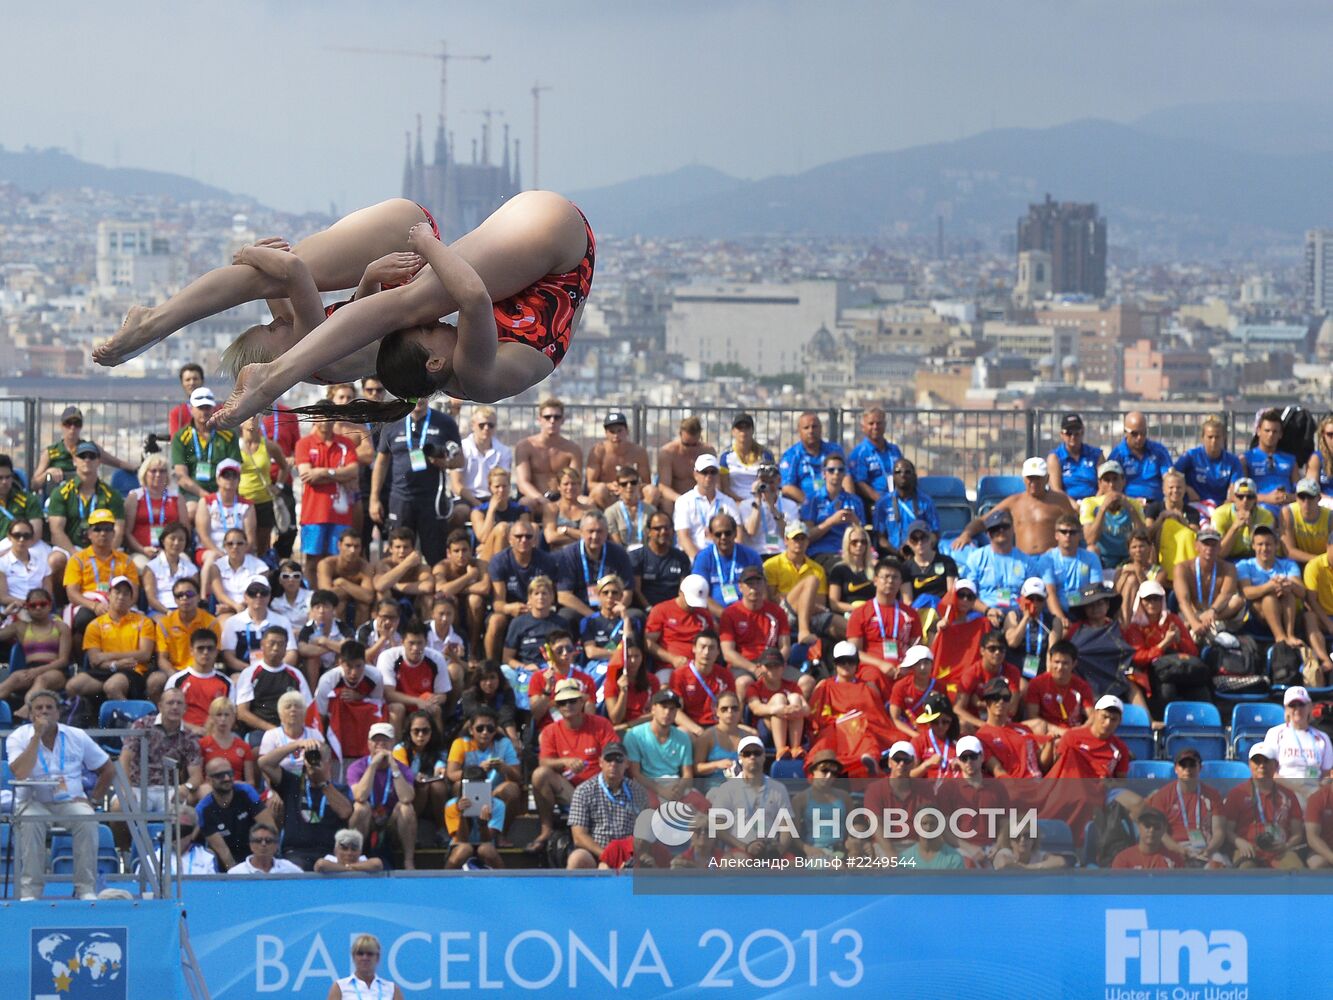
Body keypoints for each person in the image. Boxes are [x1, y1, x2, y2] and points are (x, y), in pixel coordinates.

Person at [5, 689, 115, 899]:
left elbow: (108, 768)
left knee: (87, 818)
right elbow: (20, 772)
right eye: (39, 708)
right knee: (30, 820)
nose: (45, 712)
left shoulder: (76, 735)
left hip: (69, 800)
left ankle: (85, 889)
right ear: (30, 715)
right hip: (32, 800)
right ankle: (31, 892)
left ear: (58, 713)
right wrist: (36, 735)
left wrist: (93, 799)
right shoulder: (18, 737)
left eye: (49, 708)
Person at [370, 398, 464, 565]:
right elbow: (381, 462)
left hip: (432, 500)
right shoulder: (392, 421)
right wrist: (374, 499)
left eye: (423, 395)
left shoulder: (444, 422)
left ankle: (435, 589)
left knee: (435, 553)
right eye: (413, 395)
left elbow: (460, 460)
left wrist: (446, 463)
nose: (418, 399)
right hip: (400, 498)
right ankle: (400, 590)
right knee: (399, 551)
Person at [529, 677, 617, 852]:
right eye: (562, 702)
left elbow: (614, 754)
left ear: (581, 702)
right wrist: (565, 762)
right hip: (570, 790)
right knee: (540, 774)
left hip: (600, 789)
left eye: (572, 701)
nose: (567, 706)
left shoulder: (601, 724)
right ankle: (546, 829)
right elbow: (543, 761)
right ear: (557, 707)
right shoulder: (550, 731)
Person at [807, 644, 896, 777]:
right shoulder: (824, 686)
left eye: (851, 661)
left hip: (864, 728)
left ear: (857, 664)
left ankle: (867, 763)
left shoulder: (868, 686)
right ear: (835, 664)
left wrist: (859, 721)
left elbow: (878, 715)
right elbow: (816, 717)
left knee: (869, 737)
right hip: (836, 730)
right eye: (842, 662)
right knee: (825, 742)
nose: (846, 665)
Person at [956, 458, 1076, 556]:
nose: (1033, 483)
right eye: (1030, 478)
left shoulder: (1060, 500)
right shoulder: (1014, 502)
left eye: (1038, 478)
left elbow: (1075, 526)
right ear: (1024, 479)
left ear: (1047, 478)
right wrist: (966, 534)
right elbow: (984, 521)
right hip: (1024, 561)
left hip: (1052, 560)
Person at [68, 574, 159, 702]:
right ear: (109, 595)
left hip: (134, 670)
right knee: (73, 686)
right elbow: (95, 659)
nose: (121, 596)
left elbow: (144, 654)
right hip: (106, 669)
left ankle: (130, 719)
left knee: (112, 687)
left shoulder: (144, 622)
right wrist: (115, 664)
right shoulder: (95, 625)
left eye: (126, 593)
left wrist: (107, 656)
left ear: (131, 599)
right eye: (117, 592)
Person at [294, 415, 361, 580]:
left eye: (329, 417)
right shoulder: (304, 443)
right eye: (321, 417)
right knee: (312, 559)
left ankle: (333, 599)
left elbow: (353, 471)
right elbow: (306, 476)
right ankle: (313, 597)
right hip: (313, 513)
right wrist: (340, 475)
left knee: (338, 560)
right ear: (315, 420)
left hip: (341, 512)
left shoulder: (346, 444)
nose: (326, 421)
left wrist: (323, 472)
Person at [707, 734, 795, 857]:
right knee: (738, 862)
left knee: (793, 866)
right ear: (740, 758)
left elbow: (787, 827)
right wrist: (746, 847)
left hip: (771, 849)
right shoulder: (727, 789)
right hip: (739, 849)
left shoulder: (778, 788)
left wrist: (779, 851)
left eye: (757, 752)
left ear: (764, 756)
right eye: (747, 753)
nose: (752, 756)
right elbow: (718, 827)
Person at [566, 740, 650, 870]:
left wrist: (626, 855)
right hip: (595, 852)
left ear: (627, 763)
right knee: (577, 858)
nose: (613, 764)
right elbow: (579, 836)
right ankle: (575, 891)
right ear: (600, 762)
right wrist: (608, 856)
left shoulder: (639, 792)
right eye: (609, 759)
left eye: (618, 759)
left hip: (629, 853)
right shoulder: (584, 791)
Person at [47, 444, 126, 583]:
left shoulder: (112, 495)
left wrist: (105, 554)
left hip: (104, 546)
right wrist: (77, 555)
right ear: (74, 460)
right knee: (55, 560)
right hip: (72, 546)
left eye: (92, 456)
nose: (87, 460)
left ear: (98, 461)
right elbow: (56, 532)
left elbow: (118, 530)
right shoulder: (61, 493)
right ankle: (60, 602)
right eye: (82, 456)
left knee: (124, 563)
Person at [1224, 742, 1306, 869]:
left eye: (1266, 761)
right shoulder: (1237, 793)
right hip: (1248, 849)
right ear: (1250, 764)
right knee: (1246, 868)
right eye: (1257, 761)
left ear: (1276, 765)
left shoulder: (1288, 795)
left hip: (1281, 850)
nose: (1261, 766)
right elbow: (1228, 830)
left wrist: (1287, 845)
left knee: (1296, 871)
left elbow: (1298, 833)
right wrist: (1239, 842)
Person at [347, 722, 418, 869]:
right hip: (368, 821)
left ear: (393, 743)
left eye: (385, 741)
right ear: (368, 744)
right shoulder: (356, 767)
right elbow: (360, 796)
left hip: (390, 821)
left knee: (406, 808)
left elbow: (407, 798)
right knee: (361, 808)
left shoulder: (402, 768)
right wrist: (373, 766)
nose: (380, 744)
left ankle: (408, 860)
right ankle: (353, 859)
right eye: (376, 740)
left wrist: (393, 766)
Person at [486, 515, 556, 660]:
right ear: (510, 540)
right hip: (510, 608)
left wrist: (536, 606)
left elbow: (552, 594)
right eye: (518, 536)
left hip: (539, 606)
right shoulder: (499, 561)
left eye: (528, 536)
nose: (523, 540)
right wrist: (509, 608)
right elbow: (498, 603)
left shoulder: (546, 561)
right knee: (496, 621)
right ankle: (490, 666)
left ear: (535, 540)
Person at [1143, 747, 1228, 866]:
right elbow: (1160, 833)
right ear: (1176, 769)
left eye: (1192, 765)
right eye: (1183, 765)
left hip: (1206, 847)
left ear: (1200, 768)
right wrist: (1178, 849)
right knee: (1164, 866)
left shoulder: (1213, 795)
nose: (1188, 770)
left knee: (1220, 867)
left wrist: (1210, 850)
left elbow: (1219, 830)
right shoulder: (1163, 795)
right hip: (1174, 848)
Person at [764, 523, 842, 647]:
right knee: (811, 581)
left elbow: (821, 604)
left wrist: (791, 597)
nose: (799, 542)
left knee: (845, 626)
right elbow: (771, 599)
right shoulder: (771, 565)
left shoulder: (817, 569)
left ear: (807, 541)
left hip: (811, 614)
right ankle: (803, 631)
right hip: (782, 613)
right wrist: (804, 600)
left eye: (802, 538)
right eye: (795, 538)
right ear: (786, 540)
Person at [846, 557, 923, 682]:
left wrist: (906, 667)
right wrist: (880, 664)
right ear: (875, 580)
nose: (890, 581)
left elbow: (916, 648)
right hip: (872, 668)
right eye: (885, 577)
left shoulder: (910, 614)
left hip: (904, 669)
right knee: (872, 677)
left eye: (895, 577)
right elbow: (854, 652)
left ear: (901, 582)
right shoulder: (860, 613)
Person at [555, 511, 634, 629]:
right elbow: (564, 595)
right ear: (581, 533)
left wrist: (617, 609)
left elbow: (628, 591)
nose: (595, 536)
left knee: (636, 616)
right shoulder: (568, 555)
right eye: (590, 531)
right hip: (582, 608)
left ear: (607, 533)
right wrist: (594, 616)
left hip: (612, 608)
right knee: (566, 615)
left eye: (599, 531)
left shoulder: (619, 553)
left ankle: (629, 647)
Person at [719, 565, 792, 694]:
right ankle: (740, 714)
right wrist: (753, 668)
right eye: (749, 584)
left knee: (806, 681)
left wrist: (776, 665)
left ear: (764, 585)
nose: (754, 588)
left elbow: (785, 645)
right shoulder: (730, 613)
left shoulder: (777, 611)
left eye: (758, 583)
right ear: (740, 587)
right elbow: (727, 653)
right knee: (743, 683)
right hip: (743, 664)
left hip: (772, 661)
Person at [1235, 524, 1307, 649]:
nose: (1264, 548)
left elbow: (1302, 592)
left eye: (1268, 544)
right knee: (1269, 597)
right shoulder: (1244, 565)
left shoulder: (1288, 565)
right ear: (1253, 546)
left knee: (1288, 593)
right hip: (1258, 615)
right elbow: (1246, 592)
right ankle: (1280, 637)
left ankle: (1290, 634)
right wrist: (1270, 586)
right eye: (1260, 544)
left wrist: (1289, 585)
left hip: (1285, 609)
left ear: (1276, 546)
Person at [170, 387, 243, 509]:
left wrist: (219, 496)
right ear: (191, 409)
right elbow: (181, 476)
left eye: (207, 407)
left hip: (224, 492)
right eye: (200, 407)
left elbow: (235, 471)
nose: (204, 411)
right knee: (191, 511)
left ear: (213, 409)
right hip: (192, 495)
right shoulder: (181, 437)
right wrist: (204, 495)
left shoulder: (229, 435)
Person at [1172, 525, 1245, 642]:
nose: (1209, 548)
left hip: (1218, 613)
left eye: (1213, 544)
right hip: (1192, 613)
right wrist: (1194, 623)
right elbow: (1183, 600)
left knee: (1237, 600)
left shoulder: (1228, 568)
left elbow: (1227, 593)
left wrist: (1212, 611)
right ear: (1196, 546)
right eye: (1206, 544)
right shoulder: (1182, 568)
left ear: (1219, 547)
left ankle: (1208, 622)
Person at [0, 587, 71, 708]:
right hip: (30, 670)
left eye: (43, 604)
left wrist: (38, 671)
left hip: (55, 671)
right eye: (33, 605)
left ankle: (26, 711)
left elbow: (63, 661)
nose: (38, 608)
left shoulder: (61, 627)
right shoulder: (20, 627)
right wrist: (4, 614)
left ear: (50, 605)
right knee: (13, 678)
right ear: (27, 607)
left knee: (41, 680)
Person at [378, 619, 453, 732]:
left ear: (426, 642)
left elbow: (443, 694)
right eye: (411, 643)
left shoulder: (436, 659)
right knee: (397, 709)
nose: (415, 648)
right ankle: (396, 748)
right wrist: (417, 701)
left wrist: (434, 700)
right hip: (401, 705)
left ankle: (439, 748)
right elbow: (388, 694)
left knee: (436, 709)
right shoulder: (390, 658)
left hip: (425, 705)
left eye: (419, 643)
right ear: (402, 642)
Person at [501, 574, 564, 704]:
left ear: (552, 597)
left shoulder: (561, 623)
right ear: (529, 597)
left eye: (545, 593)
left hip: (553, 669)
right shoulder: (518, 623)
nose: (540, 597)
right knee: (504, 671)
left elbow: (567, 653)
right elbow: (507, 658)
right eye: (536, 593)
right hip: (526, 669)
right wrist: (524, 666)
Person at [957, 509, 1039, 611]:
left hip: (1017, 613)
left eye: (1005, 527)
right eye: (995, 528)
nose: (1001, 531)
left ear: (1013, 529)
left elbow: (1035, 597)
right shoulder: (976, 558)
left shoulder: (1027, 562)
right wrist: (987, 611)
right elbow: (967, 595)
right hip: (984, 613)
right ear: (988, 533)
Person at [34, 405, 135, 486]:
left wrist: (139, 469)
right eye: (68, 423)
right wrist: (48, 473)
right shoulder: (51, 452)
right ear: (61, 425)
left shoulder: (90, 449)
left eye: (77, 423)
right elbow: (34, 484)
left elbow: (118, 463)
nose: (72, 428)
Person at [513, 397, 583, 512]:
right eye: (547, 417)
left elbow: (575, 482)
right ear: (539, 419)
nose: (552, 421)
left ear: (563, 420)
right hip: (535, 499)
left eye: (557, 417)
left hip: (564, 499)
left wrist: (561, 502)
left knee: (589, 502)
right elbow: (522, 482)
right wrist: (542, 500)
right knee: (524, 503)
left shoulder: (573, 449)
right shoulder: (525, 446)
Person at [234, 627, 311, 731]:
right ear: (262, 645)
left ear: (286, 647)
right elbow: (242, 713)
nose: (275, 648)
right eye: (271, 643)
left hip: (291, 731)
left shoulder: (295, 674)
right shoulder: (249, 673)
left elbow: (308, 708)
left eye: (280, 644)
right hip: (259, 731)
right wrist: (274, 731)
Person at [624, 688, 696, 797]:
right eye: (663, 707)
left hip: (675, 785)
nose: (667, 712)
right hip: (647, 787)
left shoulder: (683, 737)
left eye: (672, 709)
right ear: (653, 709)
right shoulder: (634, 735)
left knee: (704, 806)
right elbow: (635, 774)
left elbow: (688, 774)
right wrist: (661, 790)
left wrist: (679, 789)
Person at [238, 413, 291, 556]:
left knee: (262, 544)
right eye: (248, 418)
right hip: (242, 500)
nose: (251, 422)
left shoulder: (267, 445)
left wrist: (278, 486)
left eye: (255, 418)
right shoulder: (235, 446)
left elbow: (284, 466)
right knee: (241, 541)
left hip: (264, 499)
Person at [801, 454, 865, 572]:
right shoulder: (812, 499)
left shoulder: (855, 501)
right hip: (821, 551)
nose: (836, 473)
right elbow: (807, 536)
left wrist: (855, 521)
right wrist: (831, 521)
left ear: (844, 474)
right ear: (824, 474)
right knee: (840, 567)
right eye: (831, 470)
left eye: (840, 470)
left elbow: (864, 535)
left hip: (850, 552)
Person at [220, 574, 298, 671]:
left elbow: (291, 653)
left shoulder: (282, 621)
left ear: (269, 595)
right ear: (245, 596)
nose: (258, 596)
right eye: (253, 592)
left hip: (276, 671)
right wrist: (252, 671)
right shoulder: (232, 623)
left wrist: (273, 670)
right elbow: (228, 655)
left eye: (263, 592)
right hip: (243, 672)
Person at [691, 512, 764, 616]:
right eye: (718, 534)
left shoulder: (751, 556)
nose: (723, 537)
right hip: (714, 617)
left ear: (735, 533)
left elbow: (761, 590)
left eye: (727, 533)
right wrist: (727, 617)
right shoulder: (703, 558)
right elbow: (699, 594)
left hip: (748, 615)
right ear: (711, 535)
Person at [123, 454, 188, 568]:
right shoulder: (135, 497)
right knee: (143, 567)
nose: (158, 475)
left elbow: (185, 530)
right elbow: (127, 532)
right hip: (141, 551)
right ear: (145, 473)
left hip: (173, 551)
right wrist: (142, 549)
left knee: (185, 564)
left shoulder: (177, 498)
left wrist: (171, 550)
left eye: (162, 471)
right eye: (153, 471)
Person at [431, 530, 491, 654]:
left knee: (475, 599)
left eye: (464, 550)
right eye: (456, 551)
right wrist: (469, 577)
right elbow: (441, 590)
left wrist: (458, 588)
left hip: (474, 612)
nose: (461, 555)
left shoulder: (480, 564)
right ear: (448, 553)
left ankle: (473, 650)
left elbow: (485, 588)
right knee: (450, 600)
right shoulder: (442, 566)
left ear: (471, 551)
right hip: (452, 609)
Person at [1079, 461, 1146, 571]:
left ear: (1123, 481)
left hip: (1126, 558)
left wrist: (1130, 509)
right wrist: (1103, 509)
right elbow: (1090, 539)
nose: (1111, 485)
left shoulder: (1134, 504)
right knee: (1091, 549)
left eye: (1115, 479)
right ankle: (1095, 585)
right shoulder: (1090, 503)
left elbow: (1144, 536)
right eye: (1107, 480)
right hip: (1102, 559)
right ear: (1100, 483)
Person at [644, 574, 716, 676]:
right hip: (670, 667)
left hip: (701, 669)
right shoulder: (661, 611)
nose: (693, 606)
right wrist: (672, 659)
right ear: (680, 592)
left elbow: (712, 641)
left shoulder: (704, 614)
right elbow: (648, 642)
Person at [668, 630, 737, 737]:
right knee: (682, 733)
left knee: (752, 735)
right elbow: (676, 711)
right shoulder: (679, 675)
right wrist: (698, 730)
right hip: (693, 727)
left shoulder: (726, 675)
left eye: (711, 648)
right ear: (694, 648)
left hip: (720, 725)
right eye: (703, 647)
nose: (706, 652)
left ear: (718, 651)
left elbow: (733, 706)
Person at [163, 628, 231, 733]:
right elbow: (166, 712)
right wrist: (193, 729)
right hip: (182, 734)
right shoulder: (177, 680)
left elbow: (230, 715)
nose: (205, 652)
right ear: (191, 651)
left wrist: (208, 731)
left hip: (215, 735)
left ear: (216, 651)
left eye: (210, 648)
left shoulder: (227, 683)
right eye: (200, 648)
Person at [674, 454, 741, 560]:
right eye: (704, 472)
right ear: (695, 474)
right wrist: (701, 560)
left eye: (713, 472)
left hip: (723, 559)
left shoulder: (728, 502)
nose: (709, 476)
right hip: (691, 558)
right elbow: (683, 538)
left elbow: (738, 536)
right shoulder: (684, 501)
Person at [746, 649, 810, 758]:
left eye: (777, 666)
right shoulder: (755, 687)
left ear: (784, 667)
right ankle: (781, 750)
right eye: (769, 666)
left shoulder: (793, 686)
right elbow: (755, 708)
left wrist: (794, 710)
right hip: (766, 729)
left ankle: (795, 748)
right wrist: (779, 709)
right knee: (779, 699)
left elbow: (807, 709)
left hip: (791, 725)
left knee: (794, 698)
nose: (773, 670)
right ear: (760, 667)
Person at [1021, 639, 1093, 736]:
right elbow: (1033, 716)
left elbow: (1092, 716)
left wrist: (1078, 732)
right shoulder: (1037, 683)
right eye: (1056, 662)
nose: (1060, 667)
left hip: (1074, 734)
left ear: (1074, 664)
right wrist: (1059, 731)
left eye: (1065, 663)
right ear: (1050, 661)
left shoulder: (1082, 686)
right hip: (1048, 733)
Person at [1041, 513, 1103, 623]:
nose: (1068, 536)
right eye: (1063, 532)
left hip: (1084, 610)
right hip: (1056, 612)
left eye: (1072, 532)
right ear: (1056, 535)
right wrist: (1061, 619)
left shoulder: (1091, 558)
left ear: (1079, 535)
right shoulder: (1047, 559)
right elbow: (1050, 593)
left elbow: (1095, 590)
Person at [1264, 686, 1333, 783]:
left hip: (1314, 792)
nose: (1297, 709)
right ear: (1286, 709)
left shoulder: (1323, 738)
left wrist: (1318, 791)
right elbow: (1270, 772)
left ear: (1309, 707)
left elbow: (1326, 774)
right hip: (1284, 791)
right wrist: (1298, 789)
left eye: (1301, 704)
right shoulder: (1275, 734)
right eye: (1292, 705)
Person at [870, 459, 939, 557]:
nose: (903, 475)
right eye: (898, 472)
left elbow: (934, 534)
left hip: (921, 555)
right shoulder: (883, 503)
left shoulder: (926, 502)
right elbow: (879, 537)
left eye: (907, 472)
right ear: (893, 477)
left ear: (914, 476)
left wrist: (920, 549)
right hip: (892, 555)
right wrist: (898, 553)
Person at [586, 411, 653, 509]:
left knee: (652, 491)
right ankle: (608, 520)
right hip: (609, 495)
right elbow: (590, 484)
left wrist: (629, 487)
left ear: (627, 431)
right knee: (599, 490)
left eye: (619, 431)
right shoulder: (598, 451)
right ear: (606, 433)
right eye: (612, 431)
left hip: (633, 494)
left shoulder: (639, 452)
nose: (616, 435)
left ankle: (644, 520)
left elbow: (647, 483)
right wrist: (608, 486)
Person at [155, 577, 222, 674]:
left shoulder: (211, 623)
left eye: (189, 594)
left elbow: (213, 654)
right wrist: (175, 676)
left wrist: (194, 675)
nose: (184, 598)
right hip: (173, 671)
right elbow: (162, 659)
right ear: (174, 599)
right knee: (155, 681)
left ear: (198, 597)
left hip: (201, 670)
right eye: (179, 595)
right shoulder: (164, 623)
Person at [1174, 415, 1243, 507]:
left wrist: (1228, 502)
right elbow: (1172, 475)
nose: (1214, 441)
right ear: (1202, 438)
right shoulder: (1191, 456)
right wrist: (1187, 488)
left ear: (1223, 438)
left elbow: (1235, 488)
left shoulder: (1233, 461)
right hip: (1195, 506)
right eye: (1210, 437)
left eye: (1217, 437)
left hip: (1221, 507)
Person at [453, 405, 512, 509]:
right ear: (473, 425)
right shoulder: (461, 448)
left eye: (491, 425)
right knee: (459, 514)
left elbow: (505, 483)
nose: (486, 428)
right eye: (482, 425)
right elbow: (456, 484)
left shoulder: (504, 451)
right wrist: (476, 503)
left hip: (494, 497)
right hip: (466, 498)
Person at [1107, 412, 1174, 502]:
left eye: (1143, 433)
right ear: (1125, 433)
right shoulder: (1117, 455)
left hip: (1157, 504)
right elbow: (1111, 485)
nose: (1139, 437)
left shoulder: (1159, 451)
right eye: (1134, 434)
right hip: (1127, 504)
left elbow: (1168, 477)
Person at [779, 411, 843, 505]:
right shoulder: (792, 455)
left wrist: (848, 502)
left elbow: (846, 478)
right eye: (806, 428)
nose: (811, 431)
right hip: (804, 506)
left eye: (814, 427)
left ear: (821, 429)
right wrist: (810, 504)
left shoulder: (834, 450)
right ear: (799, 431)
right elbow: (787, 488)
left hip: (835, 504)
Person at [1244, 407, 1300, 515]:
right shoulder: (1246, 459)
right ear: (1258, 431)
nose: (1270, 435)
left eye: (1275, 432)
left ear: (1280, 434)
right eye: (1267, 430)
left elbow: (1300, 493)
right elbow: (1240, 495)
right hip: (1260, 508)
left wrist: (1287, 497)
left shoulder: (1290, 460)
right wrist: (1266, 498)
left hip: (1287, 507)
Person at [632, 511, 692, 609]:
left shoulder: (681, 557)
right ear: (648, 532)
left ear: (672, 530)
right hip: (646, 610)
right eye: (657, 528)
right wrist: (649, 609)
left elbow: (683, 590)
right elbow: (636, 591)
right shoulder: (637, 556)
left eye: (666, 528)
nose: (663, 531)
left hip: (673, 610)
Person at [372, 526, 435, 619]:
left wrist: (396, 586)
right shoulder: (384, 564)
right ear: (390, 549)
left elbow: (428, 587)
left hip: (414, 601)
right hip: (391, 600)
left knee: (428, 598)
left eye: (406, 547)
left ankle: (426, 630)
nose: (402, 551)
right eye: (398, 547)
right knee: (382, 594)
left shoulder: (420, 566)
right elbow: (380, 585)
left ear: (413, 549)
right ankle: (384, 629)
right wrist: (406, 564)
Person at [469, 467, 530, 562]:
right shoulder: (478, 511)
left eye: (504, 486)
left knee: (533, 527)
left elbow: (525, 536)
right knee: (502, 528)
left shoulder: (520, 510)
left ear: (509, 486)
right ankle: (499, 568)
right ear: (490, 488)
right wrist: (491, 511)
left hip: (514, 551)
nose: (501, 490)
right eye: (497, 487)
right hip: (485, 556)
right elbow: (483, 538)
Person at [845, 407, 902, 507]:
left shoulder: (894, 450)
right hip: (874, 504)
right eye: (871, 424)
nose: (875, 427)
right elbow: (860, 483)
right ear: (863, 427)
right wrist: (882, 500)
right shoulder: (859, 453)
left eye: (879, 423)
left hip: (898, 500)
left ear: (884, 425)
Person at [739, 460, 798, 555]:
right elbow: (751, 531)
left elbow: (789, 535)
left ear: (778, 481)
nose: (767, 486)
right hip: (757, 553)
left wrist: (772, 508)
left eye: (770, 482)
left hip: (781, 553)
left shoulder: (790, 505)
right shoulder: (746, 505)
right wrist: (757, 500)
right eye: (763, 482)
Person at [141, 522, 199, 617]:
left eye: (181, 540)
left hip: (186, 611)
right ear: (163, 540)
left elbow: (195, 596)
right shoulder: (151, 567)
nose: (176, 543)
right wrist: (168, 612)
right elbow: (151, 599)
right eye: (172, 538)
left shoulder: (191, 569)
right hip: (160, 611)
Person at [207, 532, 270, 620]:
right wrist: (235, 606)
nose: (235, 547)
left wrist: (234, 607)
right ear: (224, 546)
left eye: (239, 543)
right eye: (230, 544)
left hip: (253, 610)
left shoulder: (260, 567)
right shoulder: (216, 567)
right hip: (227, 611)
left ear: (246, 545)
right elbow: (220, 595)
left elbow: (258, 594)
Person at [316, 534, 375, 626]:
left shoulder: (365, 566)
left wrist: (342, 583)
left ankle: (360, 637)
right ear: (339, 545)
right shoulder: (327, 564)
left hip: (357, 605)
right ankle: (338, 634)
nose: (352, 551)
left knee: (364, 606)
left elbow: (368, 597)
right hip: (338, 603)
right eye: (348, 545)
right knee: (340, 604)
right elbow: (326, 595)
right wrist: (356, 591)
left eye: (356, 546)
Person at [199, 696, 258, 787]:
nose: (223, 719)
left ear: (233, 717)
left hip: (236, 791)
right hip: (211, 790)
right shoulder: (202, 744)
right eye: (219, 715)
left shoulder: (244, 746)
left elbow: (250, 781)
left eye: (227, 715)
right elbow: (199, 779)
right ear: (211, 718)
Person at [719, 411, 775, 503]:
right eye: (739, 428)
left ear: (752, 430)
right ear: (733, 431)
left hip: (760, 501)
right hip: (734, 502)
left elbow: (772, 483)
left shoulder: (765, 455)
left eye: (747, 428)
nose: (743, 432)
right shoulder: (726, 456)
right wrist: (741, 502)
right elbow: (725, 488)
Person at [327, 934, 405, 1000]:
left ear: (377, 957)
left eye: (370, 954)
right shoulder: (340, 987)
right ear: (353, 957)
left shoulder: (392, 989)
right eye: (360, 953)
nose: (365, 958)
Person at [458, 663, 520, 747]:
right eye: (484, 679)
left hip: (500, 728)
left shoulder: (507, 692)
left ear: (499, 679)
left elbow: (506, 717)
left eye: (492, 678)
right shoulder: (469, 695)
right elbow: (475, 715)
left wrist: (513, 740)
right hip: (475, 731)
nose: (489, 683)